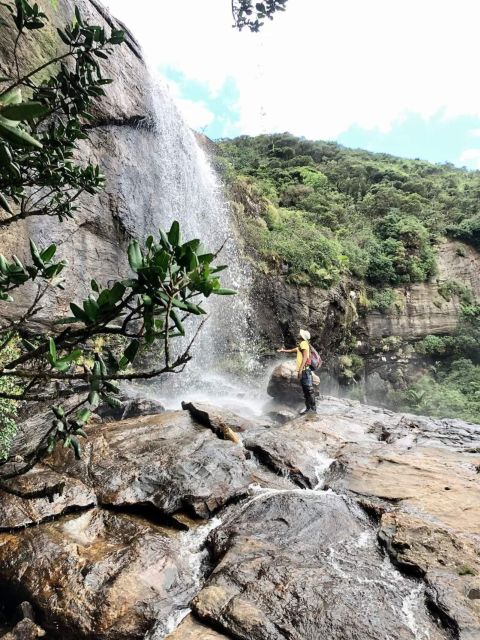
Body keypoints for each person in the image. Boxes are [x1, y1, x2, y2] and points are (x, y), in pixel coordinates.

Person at [277, 329, 316, 414]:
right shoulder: (302, 345)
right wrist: (283, 350)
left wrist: (300, 370)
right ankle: (308, 409)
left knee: (309, 390)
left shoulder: (304, 344)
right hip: (304, 371)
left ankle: (313, 409)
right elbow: (293, 350)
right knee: (306, 391)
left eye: (300, 334)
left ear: (302, 336)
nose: (299, 335)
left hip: (305, 371)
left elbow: (305, 357)